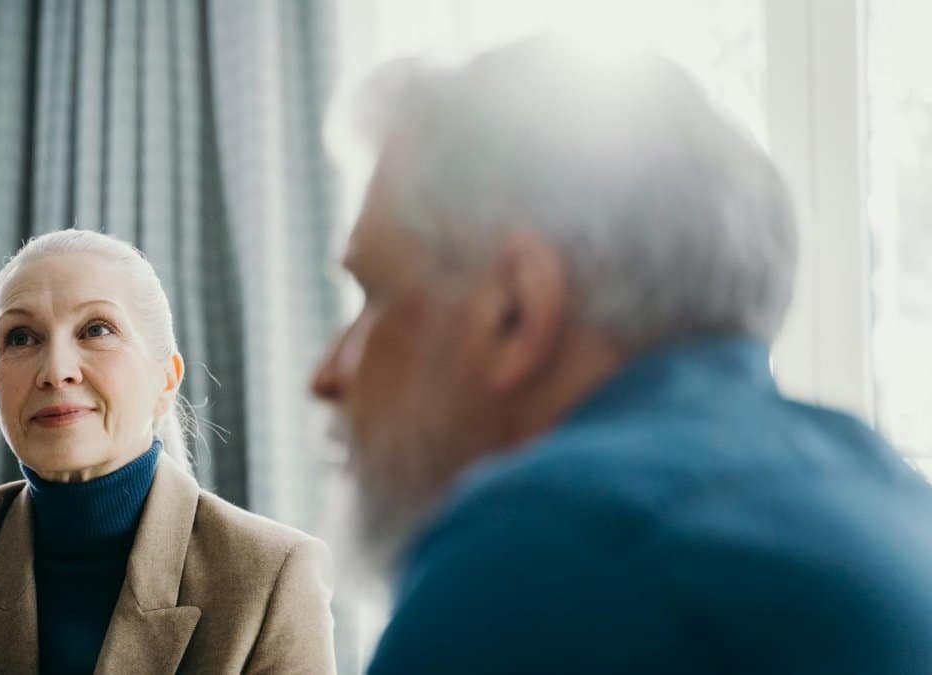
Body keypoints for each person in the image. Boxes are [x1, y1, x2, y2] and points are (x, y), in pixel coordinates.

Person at [312, 35, 932, 674]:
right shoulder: (893, 496)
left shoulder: (547, 552)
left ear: (515, 309)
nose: (327, 375)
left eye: (374, 294)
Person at [0, 229, 335, 674]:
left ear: (166, 380)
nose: (56, 370)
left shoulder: (274, 575)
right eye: (21, 337)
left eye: (96, 330)